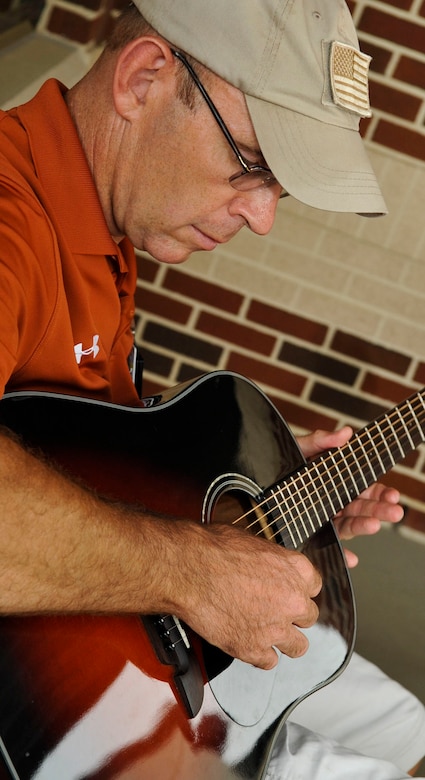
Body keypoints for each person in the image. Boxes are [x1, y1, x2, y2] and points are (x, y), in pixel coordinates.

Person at [0, 0, 423, 778]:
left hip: (135, 643)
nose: (262, 217)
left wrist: (269, 495)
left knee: (406, 730)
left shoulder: (105, 228)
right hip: (72, 718)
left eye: (280, 189)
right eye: (253, 164)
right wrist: (196, 571)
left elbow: (87, 458)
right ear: (143, 77)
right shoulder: (10, 223)